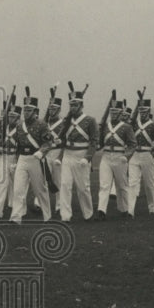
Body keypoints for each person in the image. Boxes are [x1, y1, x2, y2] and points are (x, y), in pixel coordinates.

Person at [9, 89, 55, 223]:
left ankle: (47, 216)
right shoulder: (19, 125)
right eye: (25, 110)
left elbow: (48, 142)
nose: (26, 112)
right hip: (23, 159)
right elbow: (18, 145)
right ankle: (16, 217)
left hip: (36, 159)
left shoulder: (42, 124)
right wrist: (15, 161)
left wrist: (41, 152)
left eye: (29, 110)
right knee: (18, 190)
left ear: (35, 112)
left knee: (40, 190)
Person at [56, 82, 98, 222]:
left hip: (82, 156)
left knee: (83, 188)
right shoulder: (66, 121)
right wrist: (58, 141)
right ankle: (65, 215)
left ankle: (88, 214)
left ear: (81, 105)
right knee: (65, 186)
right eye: (71, 105)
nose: (73, 108)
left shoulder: (90, 120)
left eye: (75, 105)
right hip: (68, 155)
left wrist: (88, 157)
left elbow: (94, 141)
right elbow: (62, 139)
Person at [97, 97, 136, 219]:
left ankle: (124, 209)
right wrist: (98, 144)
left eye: (115, 112)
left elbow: (132, 144)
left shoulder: (126, 127)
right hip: (106, 157)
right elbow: (101, 143)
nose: (113, 115)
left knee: (121, 185)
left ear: (120, 113)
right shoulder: (105, 126)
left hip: (120, 157)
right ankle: (101, 211)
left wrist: (127, 155)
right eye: (111, 112)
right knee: (104, 185)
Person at [127, 96, 154, 216]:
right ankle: (130, 210)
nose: (142, 113)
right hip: (135, 154)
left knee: (149, 183)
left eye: (144, 111)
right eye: (140, 111)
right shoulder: (134, 124)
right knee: (132, 183)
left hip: (147, 155)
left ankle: (153, 207)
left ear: (148, 111)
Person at [0, 92, 21, 220]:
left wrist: (17, 160)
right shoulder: (1, 128)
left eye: (14, 117)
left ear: (18, 118)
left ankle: (18, 208)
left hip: (14, 158)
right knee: (1, 184)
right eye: (10, 116)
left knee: (17, 186)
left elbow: (21, 146)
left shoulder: (20, 129)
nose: (11, 119)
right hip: (3, 158)